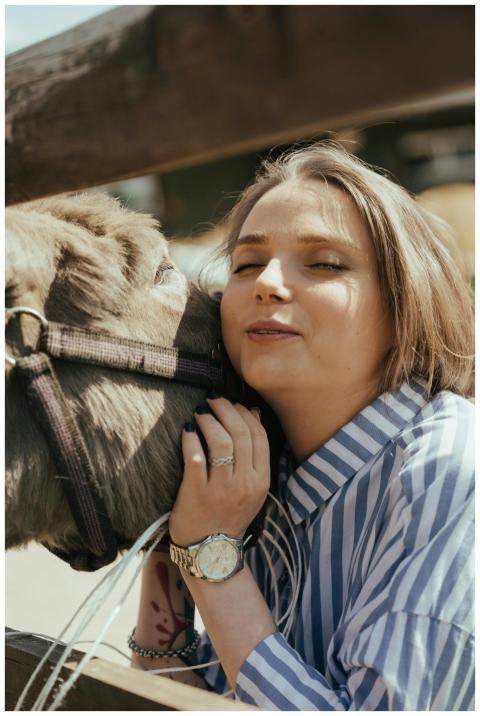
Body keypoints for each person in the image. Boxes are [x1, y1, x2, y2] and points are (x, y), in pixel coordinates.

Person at [129, 142, 474, 709]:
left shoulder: (449, 470)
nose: (267, 282)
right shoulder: (234, 459)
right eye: (245, 264)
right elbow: (159, 689)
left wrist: (213, 561)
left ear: (407, 301)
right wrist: (175, 539)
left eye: (324, 263)